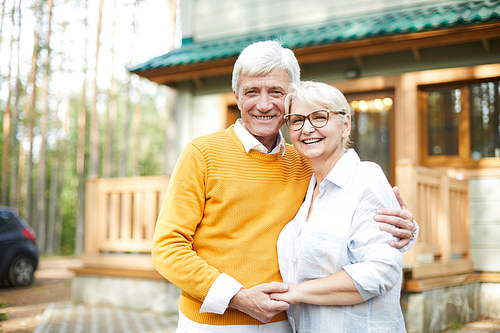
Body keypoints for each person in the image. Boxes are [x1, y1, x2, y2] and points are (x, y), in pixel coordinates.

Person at [152, 40, 418, 333]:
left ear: (291, 96)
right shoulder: (202, 154)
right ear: (237, 97)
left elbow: (354, 203)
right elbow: (168, 248)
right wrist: (236, 297)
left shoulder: (306, 160)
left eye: (276, 92)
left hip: (286, 322)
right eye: (252, 91)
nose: (264, 105)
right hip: (212, 324)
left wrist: (406, 229)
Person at [271, 81, 407, 332]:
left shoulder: (366, 179)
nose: (307, 128)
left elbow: (381, 271)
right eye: (297, 120)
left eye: (319, 117)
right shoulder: (306, 187)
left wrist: (296, 292)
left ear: (345, 125)